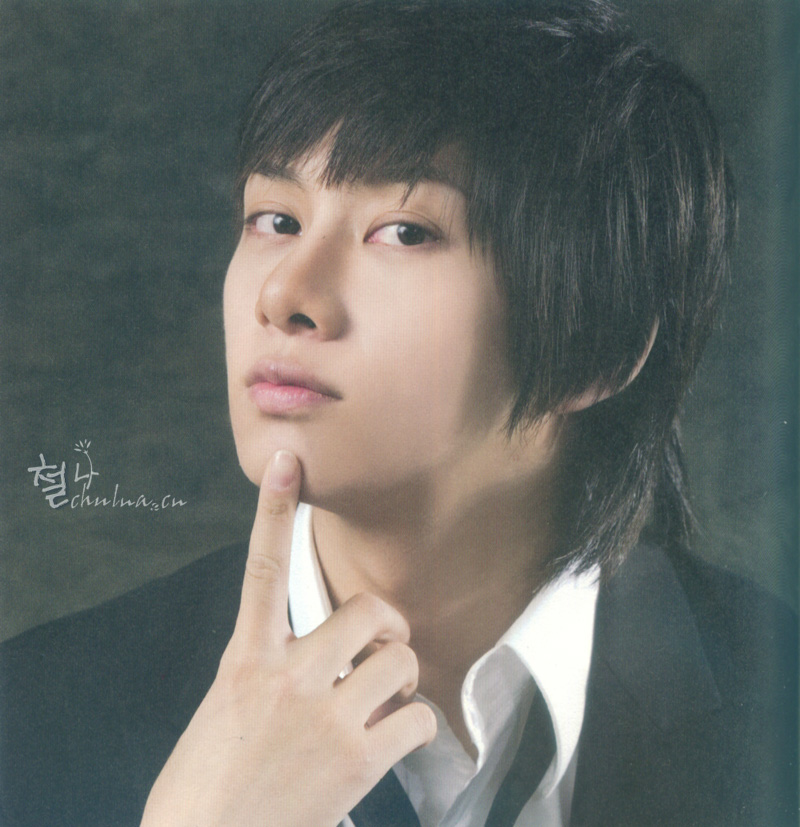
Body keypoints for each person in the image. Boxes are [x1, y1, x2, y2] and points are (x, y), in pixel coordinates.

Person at [1, 1, 796, 825]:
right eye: (276, 219)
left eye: (405, 232)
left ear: (603, 343)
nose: (285, 293)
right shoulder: (30, 721)